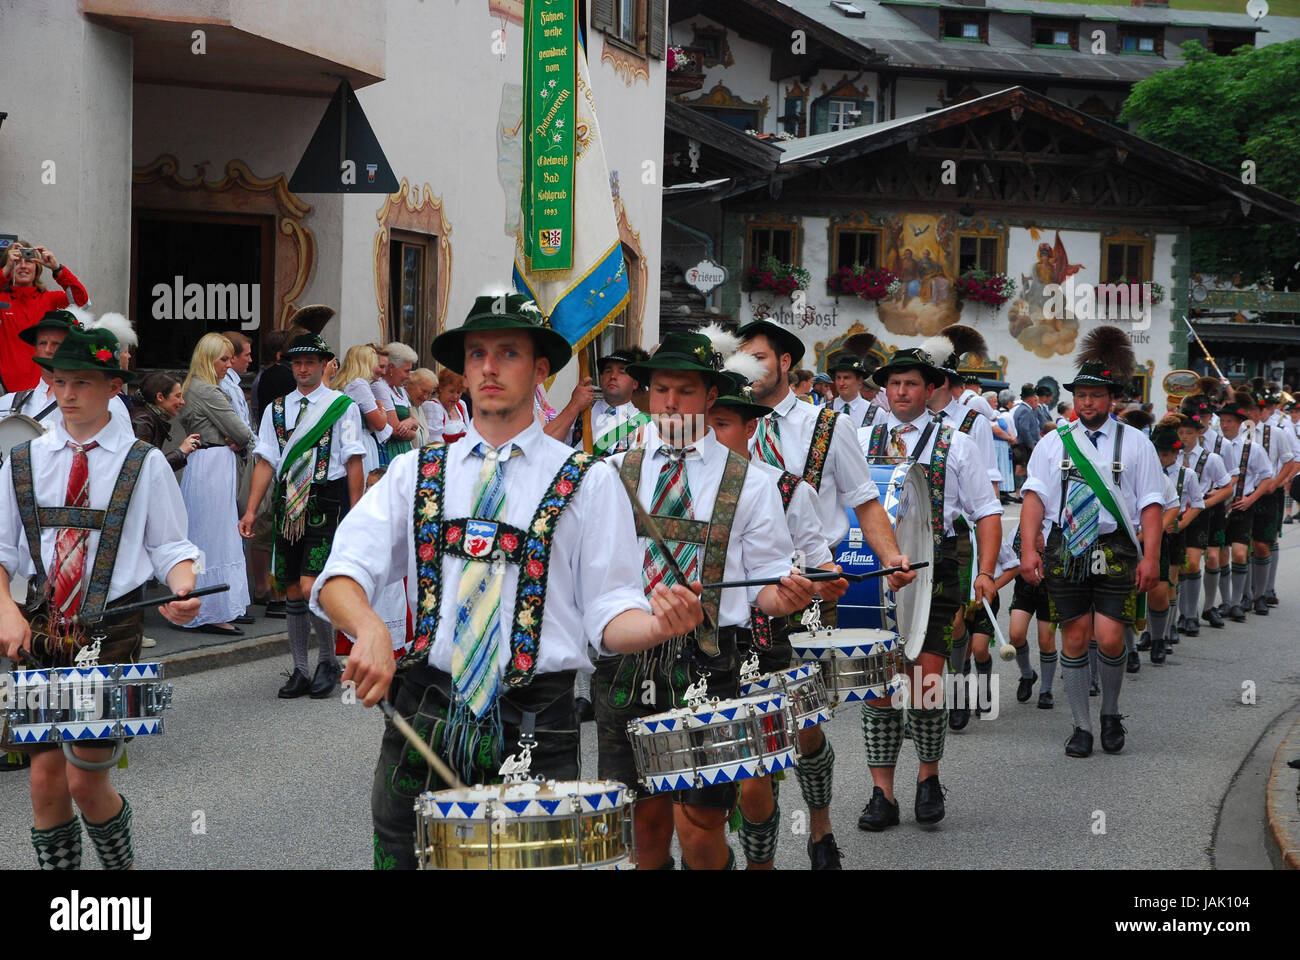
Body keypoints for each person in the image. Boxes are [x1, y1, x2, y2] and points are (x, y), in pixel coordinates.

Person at [311, 292, 704, 870]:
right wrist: (369, 629)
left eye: (508, 352)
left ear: (541, 369)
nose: (489, 368)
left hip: (535, 724)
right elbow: (341, 574)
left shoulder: (589, 481)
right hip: (426, 713)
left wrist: (656, 625)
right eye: (477, 354)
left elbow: (610, 609)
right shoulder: (417, 471)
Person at [597, 329, 819, 871]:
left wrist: (784, 597)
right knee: (641, 819)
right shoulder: (607, 472)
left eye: (686, 391)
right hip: (627, 662)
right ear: (646, 393)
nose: (670, 402)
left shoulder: (751, 481)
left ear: (711, 397)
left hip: (713, 662)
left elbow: (766, 584)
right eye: (661, 389)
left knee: (699, 823)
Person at [0, 325, 202, 870]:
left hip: (110, 630)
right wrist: (6, 612)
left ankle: (118, 876)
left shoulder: (144, 461)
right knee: (43, 780)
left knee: (85, 778)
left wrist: (183, 587)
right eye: (60, 381)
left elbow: (171, 545)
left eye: (82, 383)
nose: (67, 394)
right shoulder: (23, 460)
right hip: (41, 629)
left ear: (114, 386)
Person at [739, 318, 916, 867]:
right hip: (741, 591)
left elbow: (865, 500)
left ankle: (819, 825)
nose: (746, 367)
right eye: (740, 357)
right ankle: (759, 859)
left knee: (806, 723)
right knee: (755, 735)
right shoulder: (719, 423)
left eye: (758, 357)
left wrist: (890, 558)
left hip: (813, 587)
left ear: (786, 363)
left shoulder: (826, 425)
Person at [705, 369, 847, 869]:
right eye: (703, 423)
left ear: (749, 428)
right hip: (718, 648)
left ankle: (821, 827)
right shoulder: (680, 492)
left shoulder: (787, 490)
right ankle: (759, 864)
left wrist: (823, 578)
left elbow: (820, 559)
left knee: (806, 735)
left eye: (721, 423)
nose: (709, 435)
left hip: (784, 635)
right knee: (750, 772)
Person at [856, 346, 1001, 823]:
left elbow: (986, 511)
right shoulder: (860, 438)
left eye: (911, 384)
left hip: (935, 565)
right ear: (884, 388)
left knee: (926, 679)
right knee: (877, 682)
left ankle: (927, 776)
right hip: (871, 568)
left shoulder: (956, 442)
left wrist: (985, 570)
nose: (901, 392)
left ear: (930, 388)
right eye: (894, 384)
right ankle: (882, 794)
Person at [1019, 326, 1164, 758]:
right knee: (1076, 638)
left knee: (1112, 637)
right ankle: (1082, 725)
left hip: (1116, 545)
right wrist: (1030, 548)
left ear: (1112, 399)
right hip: (1067, 546)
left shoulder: (1137, 443)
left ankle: (1111, 712)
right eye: (1081, 394)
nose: (1087, 402)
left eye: (1096, 395)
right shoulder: (1052, 443)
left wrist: (1151, 557)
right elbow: (1033, 498)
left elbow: (1153, 505)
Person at [241, 333, 365, 698]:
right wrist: (251, 509)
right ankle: (299, 668)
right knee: (291, 587)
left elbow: (353, 459)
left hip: (325, 501)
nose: (303, 368)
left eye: (311, 361)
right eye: (297, 362)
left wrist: (356, 513)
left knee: (314, 586)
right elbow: (266, 460)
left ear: (325, 364)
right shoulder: (276, 409)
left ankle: (327, 659)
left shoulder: (342, 406)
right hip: (286, 505)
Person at [180, 333, 256, 635]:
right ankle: (209, 610)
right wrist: (238, 441)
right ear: (209, 359)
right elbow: (241, 432)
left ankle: (208, 607)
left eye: (228, 358)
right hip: (212, 465)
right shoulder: (208, 390)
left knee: (208, 536)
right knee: (213, 538)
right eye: (223, 359)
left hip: (209, 464)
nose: (228, 364)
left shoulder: (197, 386)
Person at [1214, 391, 1275, 622]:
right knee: (1220, 555)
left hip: (1242, 504)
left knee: (1240, 553)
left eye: (1229, 421)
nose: (1224, 425)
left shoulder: (1252, 448)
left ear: (1240, 424)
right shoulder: (1215, 446)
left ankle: (1239, 602)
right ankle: (1225, 601)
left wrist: (1251, 499)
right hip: (1220, 506)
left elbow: (1267, 477)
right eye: (1222, 421)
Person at [0, 241, 89, 392]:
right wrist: (5, 269)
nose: (22, 266)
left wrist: (57, 268)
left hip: (45, 389)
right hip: (6, 391)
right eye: (16, 261)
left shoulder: (51, 299)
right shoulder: (2, 299)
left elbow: (82, 302)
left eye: (28, 261)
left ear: (37, 267)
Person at [331, 344, 393, 475]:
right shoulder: (358, 385)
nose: (381, 371)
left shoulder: (345, 384)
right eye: (374, 363)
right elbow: (380, 424)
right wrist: (380, 405)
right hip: (361, 441)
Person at [584, 346, 652, 455]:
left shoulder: (645, 426)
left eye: (622, 372)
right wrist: (573, 407)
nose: (613, 376)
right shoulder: (581, 412)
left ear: (634, 383)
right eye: (608, 370)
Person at [131, 371, 199, 473]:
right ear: (160, 397)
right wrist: (180, 452)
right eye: (178, 396)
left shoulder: (147, 417)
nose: (182, 402)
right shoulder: (142, 421)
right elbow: (140, 469)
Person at [375, 342, 419, 463]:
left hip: (404, 449)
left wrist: (410, 422)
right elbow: (396, 431)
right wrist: (413, 432)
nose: (409, 376)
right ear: (393, 368)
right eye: (406, 371)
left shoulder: (400, 389)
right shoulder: (380, 387)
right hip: (390, 451)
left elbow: (414, 420)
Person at [829, 356, 880, 428]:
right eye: (838, 378)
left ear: (860, 380)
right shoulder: (822, 410)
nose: (841, 383)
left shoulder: (877, 413)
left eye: (846, 378)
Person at [427, 369, 468, 443]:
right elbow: (434, 442)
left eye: (459, 392)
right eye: (451, 391)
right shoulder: (433, 407)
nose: (455, 396)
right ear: (441, 388)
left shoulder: (461, 405)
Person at [405, 367, 438, 447]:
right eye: (424, 391)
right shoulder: (402, 403)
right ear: (412, 383)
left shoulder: (418, 405)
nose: (425, 397)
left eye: (429, 393)